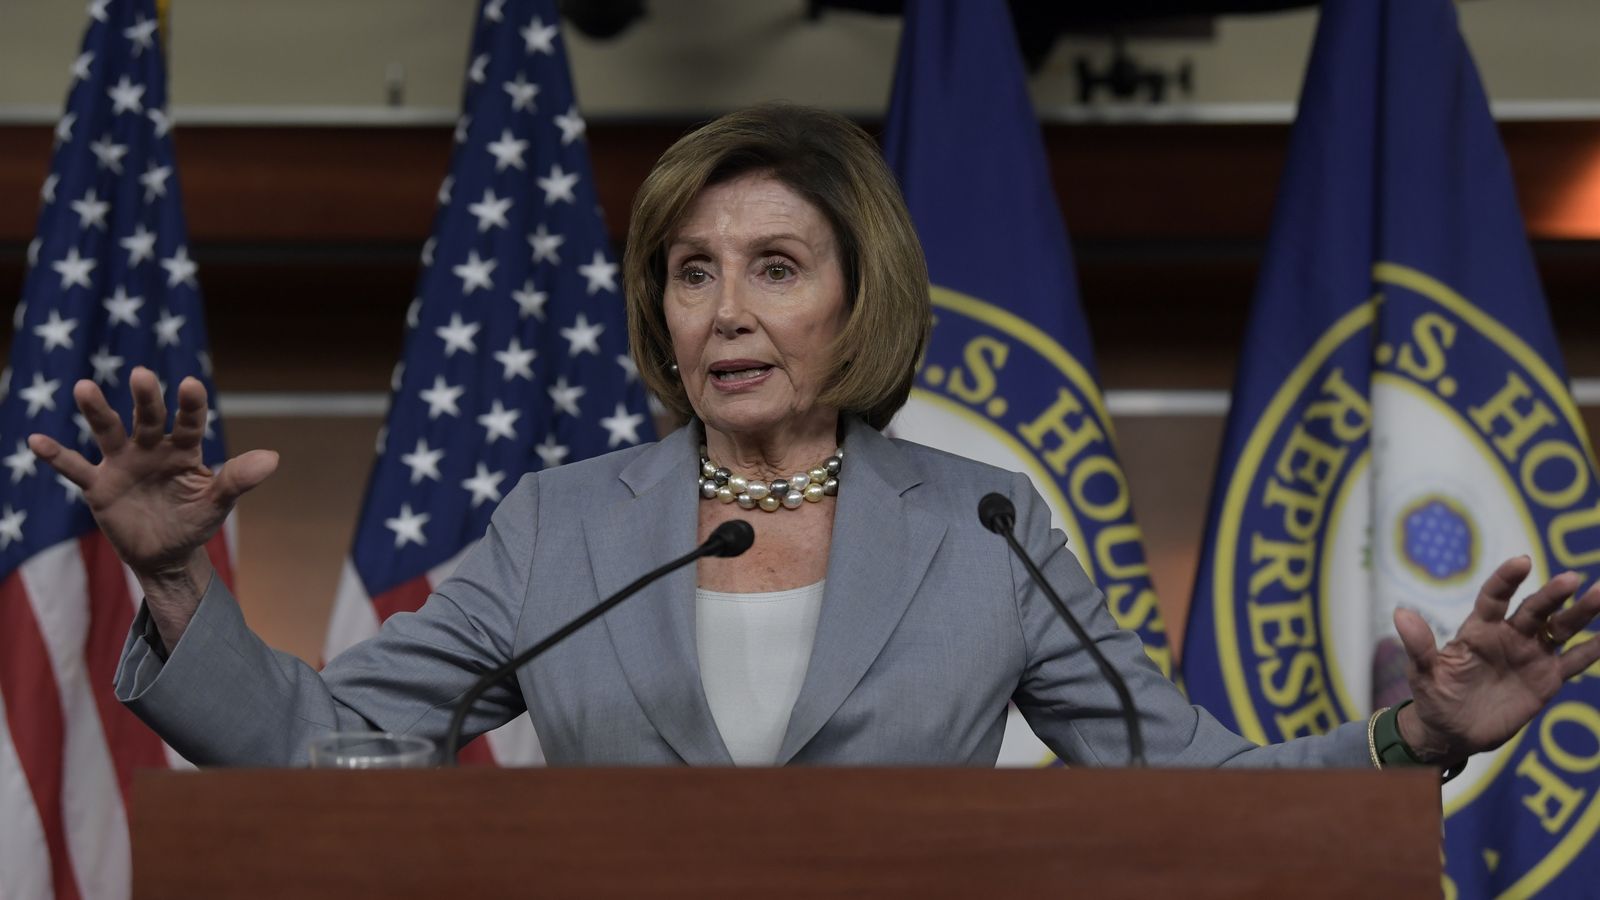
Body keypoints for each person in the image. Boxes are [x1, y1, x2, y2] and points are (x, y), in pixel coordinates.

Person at [31, 103, 1600, 769]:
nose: (724, 310)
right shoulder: (559, 524)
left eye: (775, 269)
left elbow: (1194, 782)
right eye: (692, 271)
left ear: (860, 304)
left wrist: (1425, 733)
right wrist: (177, 591)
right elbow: (320, 748)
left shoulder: (987, 532)